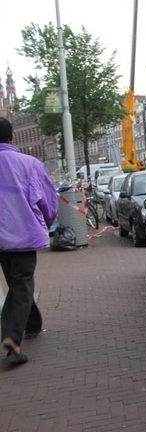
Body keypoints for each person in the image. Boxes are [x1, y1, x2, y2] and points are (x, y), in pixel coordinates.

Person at [0, 117, 58, 367]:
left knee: (16, 284)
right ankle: (12, 340)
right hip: (22, 235)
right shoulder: (29, 164)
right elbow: (48, 201)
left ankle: (33, 323)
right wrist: (46, 222)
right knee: (22, 285)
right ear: (12, 137)